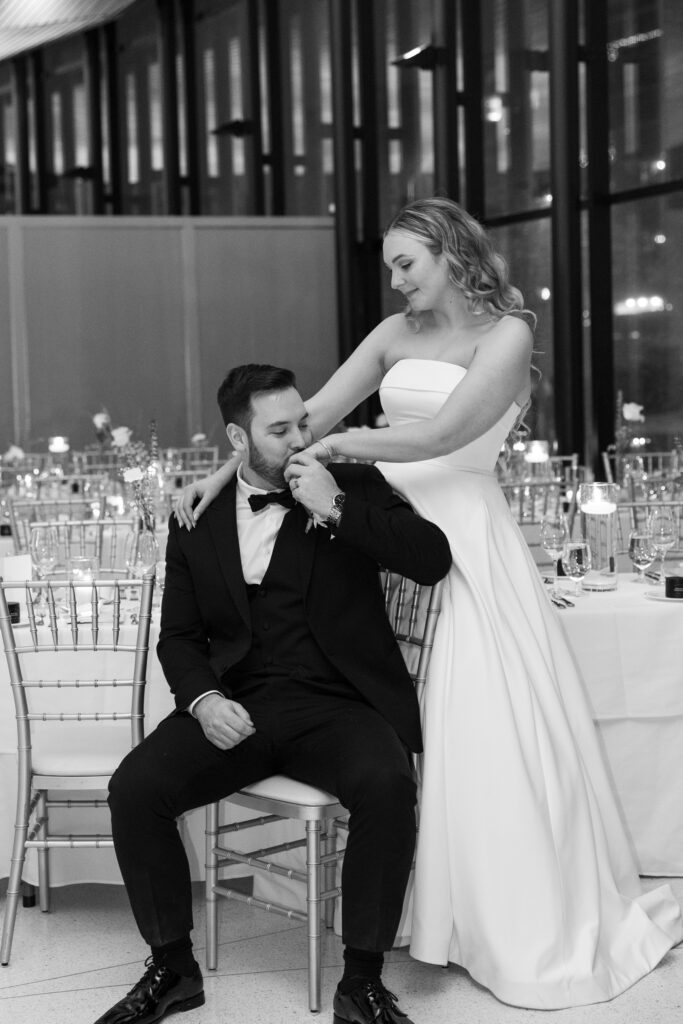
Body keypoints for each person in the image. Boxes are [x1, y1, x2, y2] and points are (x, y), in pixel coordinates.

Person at [176, 196, 683, 1010]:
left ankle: (491, 917)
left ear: (451, 253)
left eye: (406, 263)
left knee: (476, 727)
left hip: (460, 534)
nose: (395, 278)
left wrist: (339, 450)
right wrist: (221, 473)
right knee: (384, 709)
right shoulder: (390, 334)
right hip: (376, 531)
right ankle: (399, 905)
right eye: (388, 266)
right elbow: (305, 418)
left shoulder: (506, 331)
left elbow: (443, 435)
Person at [94, 363, 452, 1024]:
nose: (300, 438)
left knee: (386, 783)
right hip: (239, 703)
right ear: (238, 439)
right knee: (135, 789)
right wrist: (203, 701)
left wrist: (335, 508)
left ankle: (362, 980)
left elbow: (430, 558)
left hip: (337, 702)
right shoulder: (195, 517)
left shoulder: (348, 482)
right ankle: (172, 969)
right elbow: (177, 637)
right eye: (280, 429)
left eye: (304, 422)